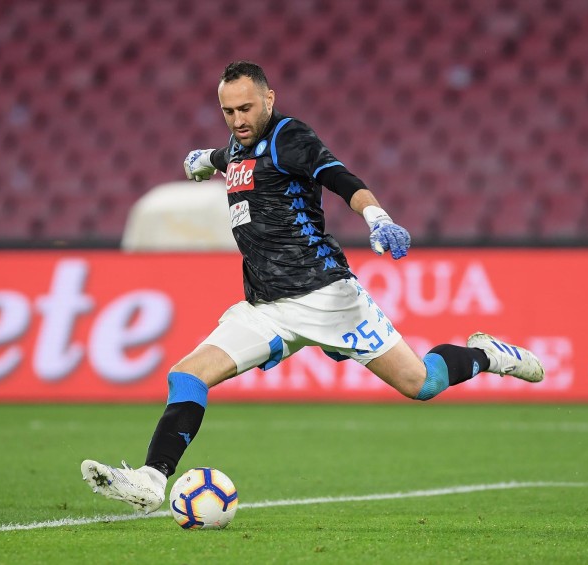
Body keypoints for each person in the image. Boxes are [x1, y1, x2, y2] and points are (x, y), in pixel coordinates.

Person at [81, 61, 544, 512]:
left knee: (421, 383)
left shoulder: (290, 136)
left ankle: (488, 354)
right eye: (228, 112)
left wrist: (376, 216)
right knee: (187, 374)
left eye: (246, 108)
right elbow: (228, 158)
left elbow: (340, 177)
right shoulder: (238, 146)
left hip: (327, 297)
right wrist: (205, 160)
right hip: (266, 306)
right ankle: (150, 479)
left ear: (269, 99)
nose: (239, 120)